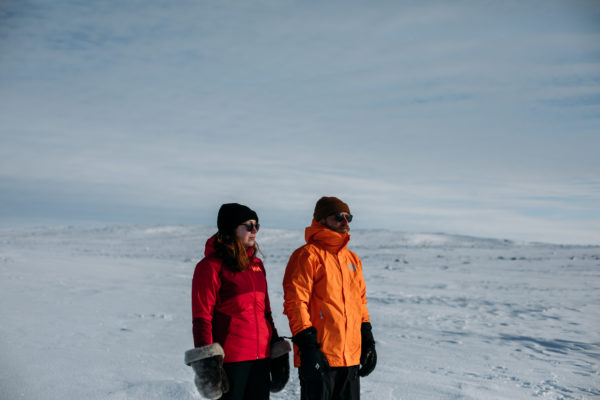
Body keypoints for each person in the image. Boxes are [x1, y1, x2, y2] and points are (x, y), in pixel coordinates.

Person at [184, 203, 291, 400]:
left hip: (261, 359)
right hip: (231, 361)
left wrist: (276, 346)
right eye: (248, 226)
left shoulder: (257, 266)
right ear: (231, 228)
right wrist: (208, 365)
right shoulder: (210, 267)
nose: (255, 231)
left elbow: (265, 313)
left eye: (257, 225)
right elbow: (201, 319)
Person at [283, 196, 377, 400]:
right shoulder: (307, 256)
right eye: (338, 217)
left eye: (348, 217)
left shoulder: (352, 259)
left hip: (350, 359)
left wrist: (367, 340)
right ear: (322, 219)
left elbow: (360, 303)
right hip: (320, 357)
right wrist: (309, 348)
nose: (345, 222)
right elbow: (296, 303)